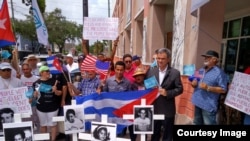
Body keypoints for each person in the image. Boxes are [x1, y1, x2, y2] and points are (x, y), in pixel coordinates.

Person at [146, 48, 183, 141]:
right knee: (154, 134)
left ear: (168, 59)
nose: (160, 61)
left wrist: (168, 93)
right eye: (158, 58)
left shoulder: (175, 73)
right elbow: (146, 85)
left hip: (167, 108)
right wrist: (150, 88)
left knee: (167, 135)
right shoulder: (151, 71)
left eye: (163, 58)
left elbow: (180, 89)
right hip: (154, 107)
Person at [191, 50, 228, 125]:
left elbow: (223, 89)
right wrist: (193, 84)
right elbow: (194, 82)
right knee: (196, 123)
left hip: (208, 105)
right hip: (197, 102)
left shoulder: (220, 73)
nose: (205, 59)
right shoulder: (200, 70)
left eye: (208, 57)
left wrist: (208, 88)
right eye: (205, 57)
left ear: (214, 59)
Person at [32, 65, 63, 141]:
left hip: (53, 107)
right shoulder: (36, 83)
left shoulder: (54, 81)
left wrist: (55, 91)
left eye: (49, 71)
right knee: (43, 125)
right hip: (41, 108)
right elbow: (34, 96)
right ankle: (44, 139)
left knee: (53, 125)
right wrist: (34, 95)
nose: (49, 72)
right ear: (41, 73)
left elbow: (60, 93)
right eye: (47, 71)